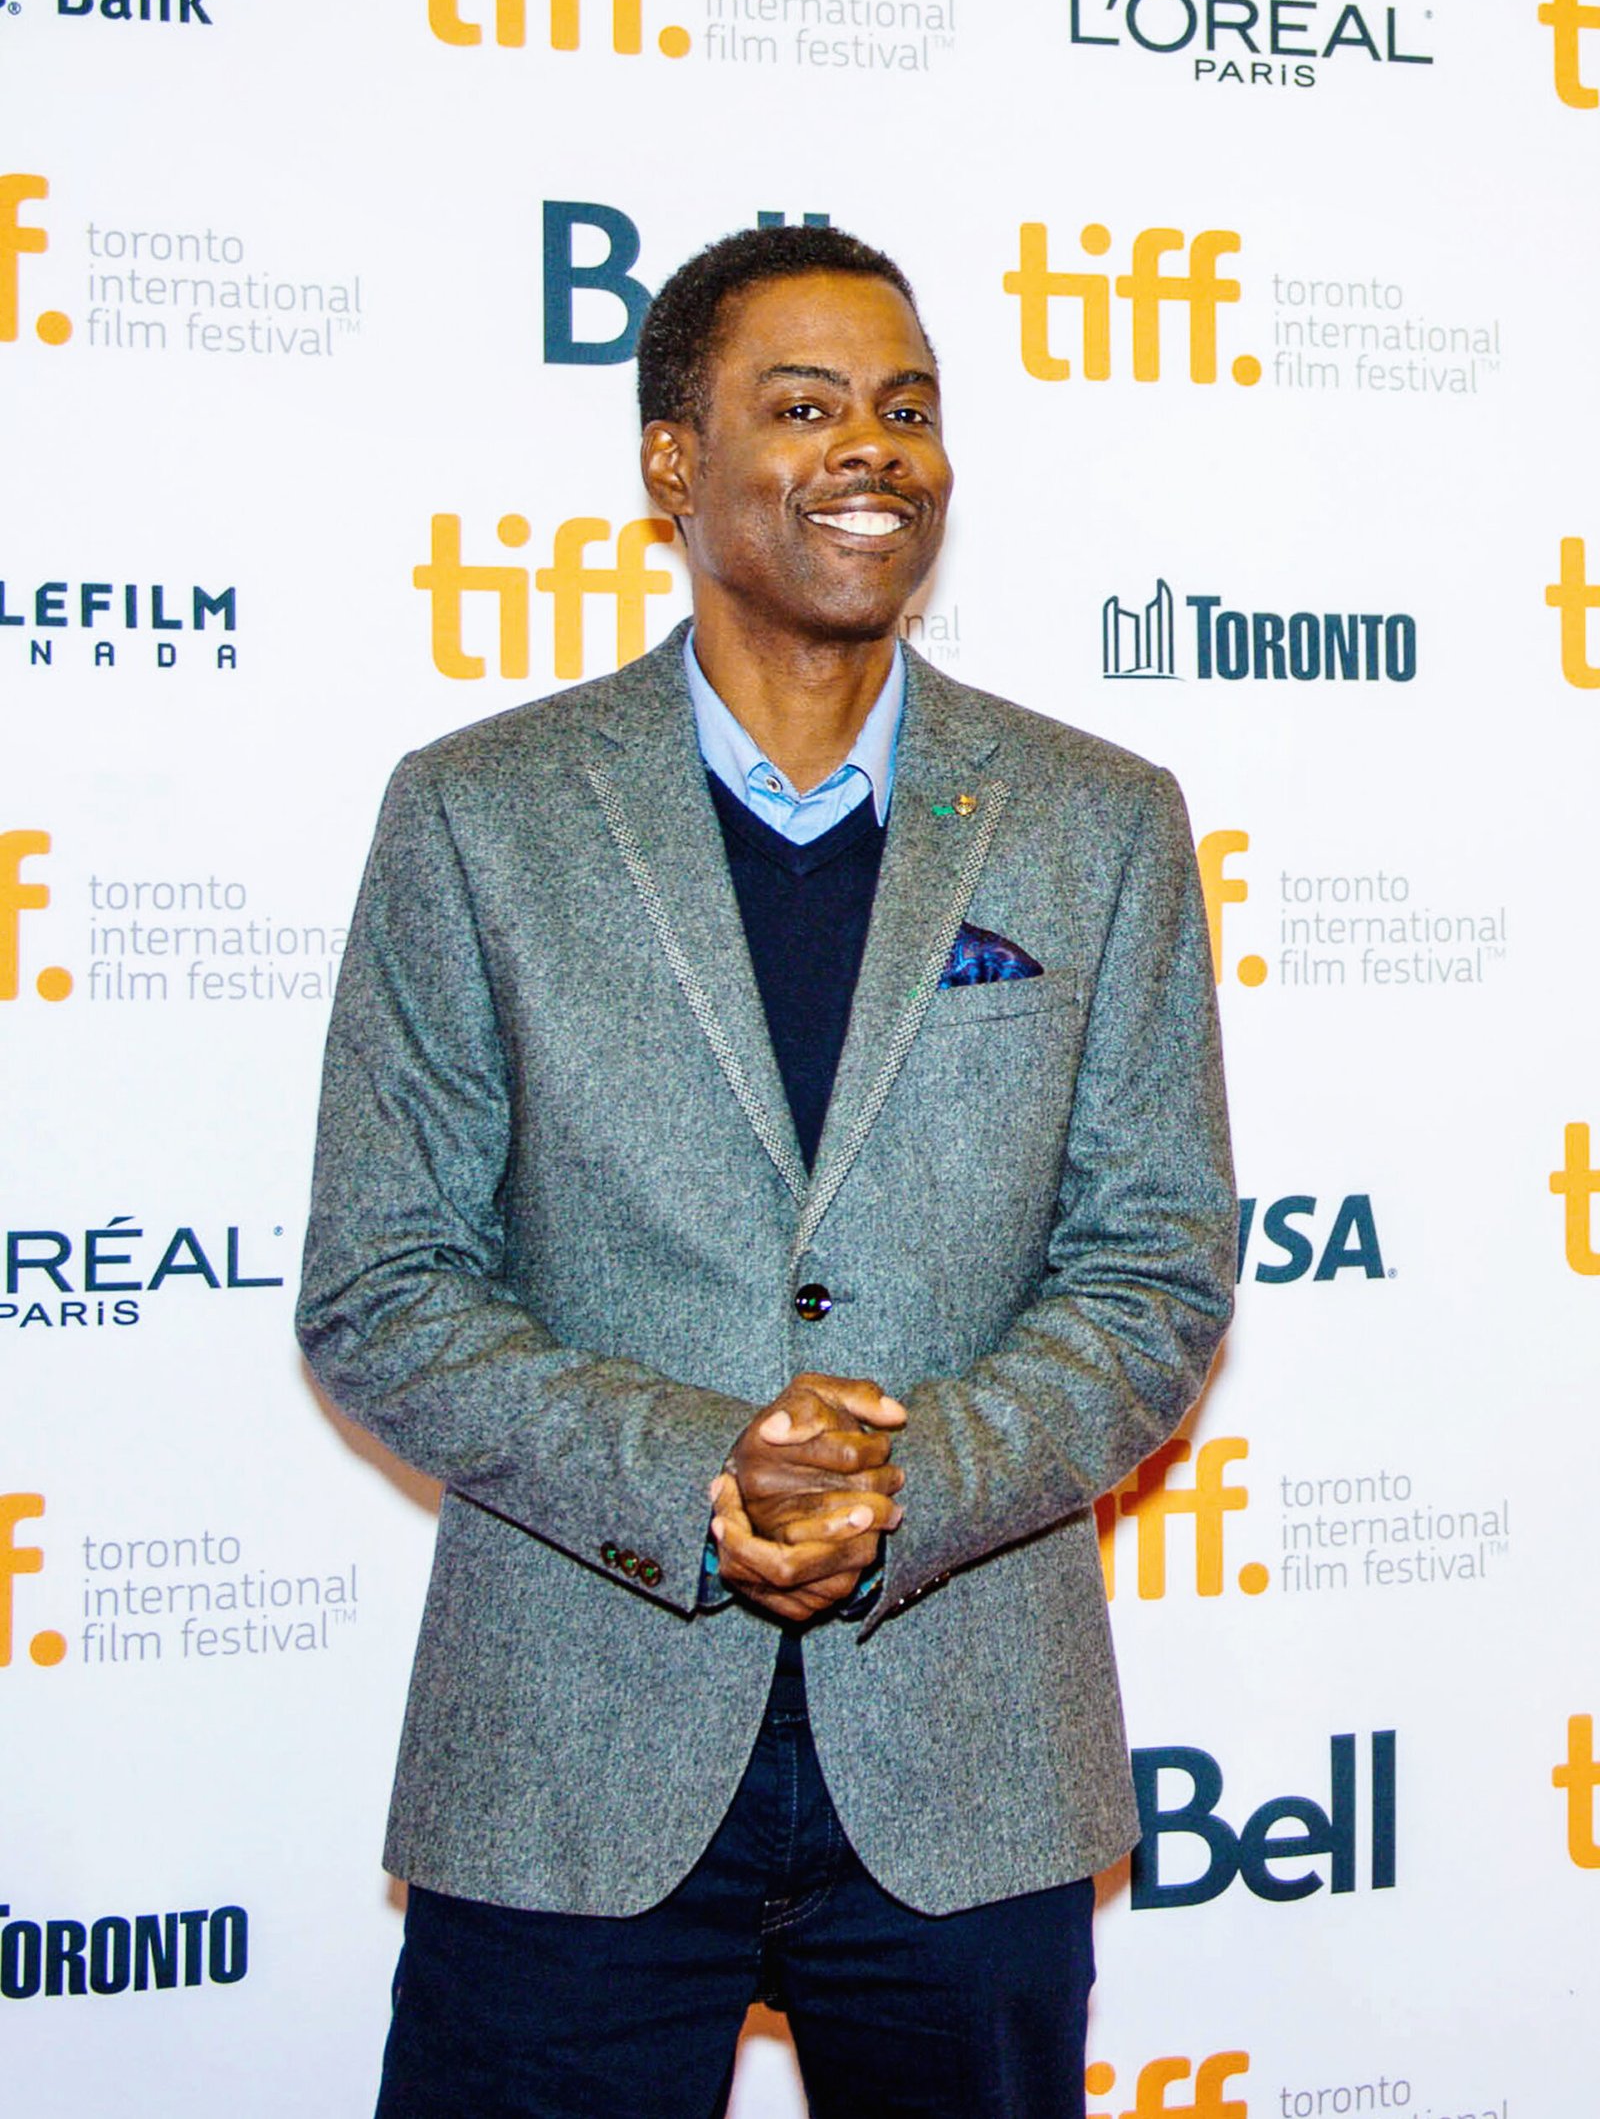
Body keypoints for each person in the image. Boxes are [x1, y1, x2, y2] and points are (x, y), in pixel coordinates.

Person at [297, 222, 1235, 2119]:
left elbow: (1156, 1270)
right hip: (567, 1758)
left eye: (907, 407)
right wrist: (705, 1471)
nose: (871, 449)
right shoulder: (478, 814)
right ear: (674, 460)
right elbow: (380, 1285)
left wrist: (905, 1483)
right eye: (802, 407)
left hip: (972, 1758)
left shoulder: (1101, 823)